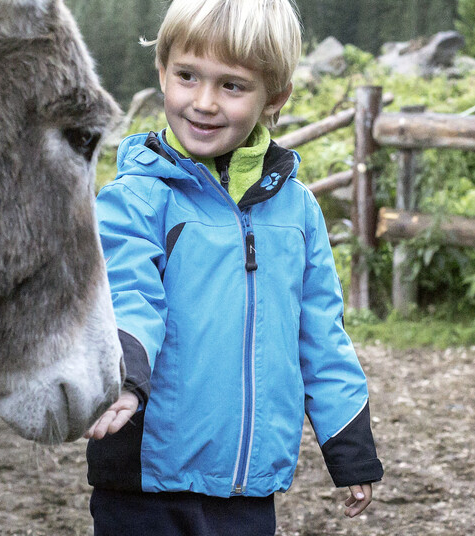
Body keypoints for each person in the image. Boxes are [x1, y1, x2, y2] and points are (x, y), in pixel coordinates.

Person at [84, 0, 383, 534]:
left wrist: (349, 447)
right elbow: (128, 294)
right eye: (187, 76)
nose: (203, 102)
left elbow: (321, 333)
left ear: (276, 97)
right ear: (162, 72)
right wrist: (126, 379)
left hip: (247, 487)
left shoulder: (297, 212)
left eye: (232, 85)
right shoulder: (134, 200)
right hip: (146, 485)